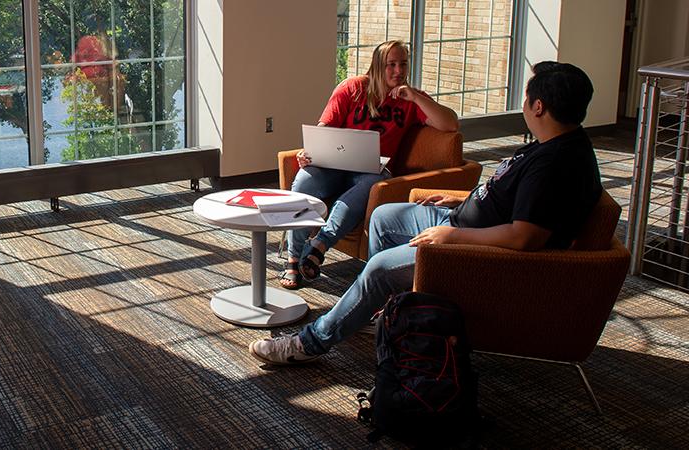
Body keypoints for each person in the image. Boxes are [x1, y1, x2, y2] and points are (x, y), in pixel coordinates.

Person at [251, 61, 601, 365]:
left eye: (526, 97)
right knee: (384, 217)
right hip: (462, 219)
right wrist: (462, 200)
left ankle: (310, 343)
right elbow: (510, 202)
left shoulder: (555, 166)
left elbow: (524, 237)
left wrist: (453, 235)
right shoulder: (556, 145)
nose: (523, 103)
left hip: (473, 249)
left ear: (538, 106)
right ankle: (390, 315)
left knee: (378, 269)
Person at [280, 40, 459, 290]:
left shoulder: (410, 100)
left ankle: (320, 244)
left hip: (370, 171)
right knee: (304, 181)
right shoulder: (352, 88)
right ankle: (293, 257)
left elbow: (451, 124)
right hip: (333, 165)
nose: (398, 71)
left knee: (372, 183)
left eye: (403, 64)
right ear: (377, 66)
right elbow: (324, 129)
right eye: (391, 65)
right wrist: (308, 153)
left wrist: (416, 96)